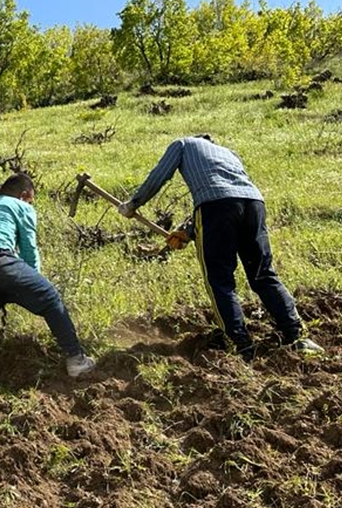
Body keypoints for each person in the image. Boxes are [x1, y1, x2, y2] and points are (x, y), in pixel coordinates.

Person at [118, 135, 322, 357]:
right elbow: (228, 194)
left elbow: (161, 176)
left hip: (216, 209)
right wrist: (188, 231)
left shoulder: (184, 144)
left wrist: (133, 204)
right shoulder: (228, 153)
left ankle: (240, 345)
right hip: (254, 204)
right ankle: (298, 338)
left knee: (219, 280)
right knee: (263, 274)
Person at [0, 173, 96, 421]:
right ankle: (76, 361)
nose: (31, 204)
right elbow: (29, 250)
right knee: (51, 298)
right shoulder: (19, 205)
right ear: (25, 195)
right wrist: (35, 287)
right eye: (31, 200)